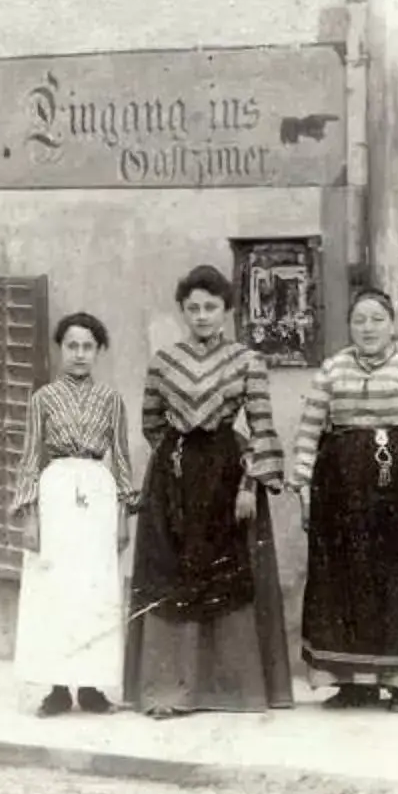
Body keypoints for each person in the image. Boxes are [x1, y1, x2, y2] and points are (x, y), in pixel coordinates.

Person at [123, 264, 294, 715]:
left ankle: (231, 690)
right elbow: (152, 423)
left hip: (226, 475)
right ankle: (170, 689)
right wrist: (176, 463)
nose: (202, 316)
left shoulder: (247, 361)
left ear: (226, 310)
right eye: (193, 308)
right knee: (173, 572)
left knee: (226, 574)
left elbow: (260, 427)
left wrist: (246, 484)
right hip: (175, 480)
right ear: (182, 311)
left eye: (211, 307)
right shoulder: (164, 362)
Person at [291, 283, 398, 708]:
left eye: (377, 320)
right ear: (349, 326)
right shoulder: (332, 370)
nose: (367, 329)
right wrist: (304, 494)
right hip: (341, 497)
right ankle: (353, 682)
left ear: (393, 325)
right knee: (345, 584)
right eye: (359, 321)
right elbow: (309, 431)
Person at [10, 309, 136, 717]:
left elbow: (120, 459)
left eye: (88, 347)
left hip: (98, 494)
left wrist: (121, 517)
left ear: (99, 351)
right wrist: (30, 517)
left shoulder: (112, 400)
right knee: (56, 590)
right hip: (57, 492)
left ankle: (94, 688)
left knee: (95, 590)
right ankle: (58, 688)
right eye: (72, 346)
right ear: (61, 349)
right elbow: (31, 458)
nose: (80, 354)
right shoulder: (42, 399)